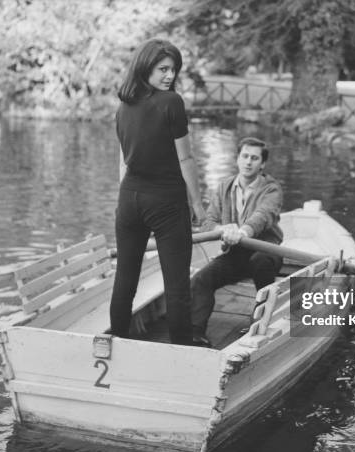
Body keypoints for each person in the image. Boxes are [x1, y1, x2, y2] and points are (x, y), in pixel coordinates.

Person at [109, 38, 206, 345]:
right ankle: (181, 353)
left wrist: (124, 199)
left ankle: (117, 345)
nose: (169, 76)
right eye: (163, 68)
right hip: (165, 201)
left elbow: (123, 163)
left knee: (124, 280)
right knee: (177, 286)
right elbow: (185, 158)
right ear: (145, 66)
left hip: (129, 200)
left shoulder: (123, 107)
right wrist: (198, 205)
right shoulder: (172, 102)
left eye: (173, 70)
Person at [190, 137, 283, 347]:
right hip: (236, 253)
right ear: (238, 159)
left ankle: (260, 323)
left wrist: (242, 231)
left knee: (260, 262)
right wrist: (222, 229)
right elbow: (208, 221)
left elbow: (263, 215)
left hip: (266, 251)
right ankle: (195, 334)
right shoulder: (225, 186)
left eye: (254, 158)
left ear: (263, 164)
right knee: (201, 280)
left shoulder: (271, 189)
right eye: (245, 156)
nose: (248, 162)